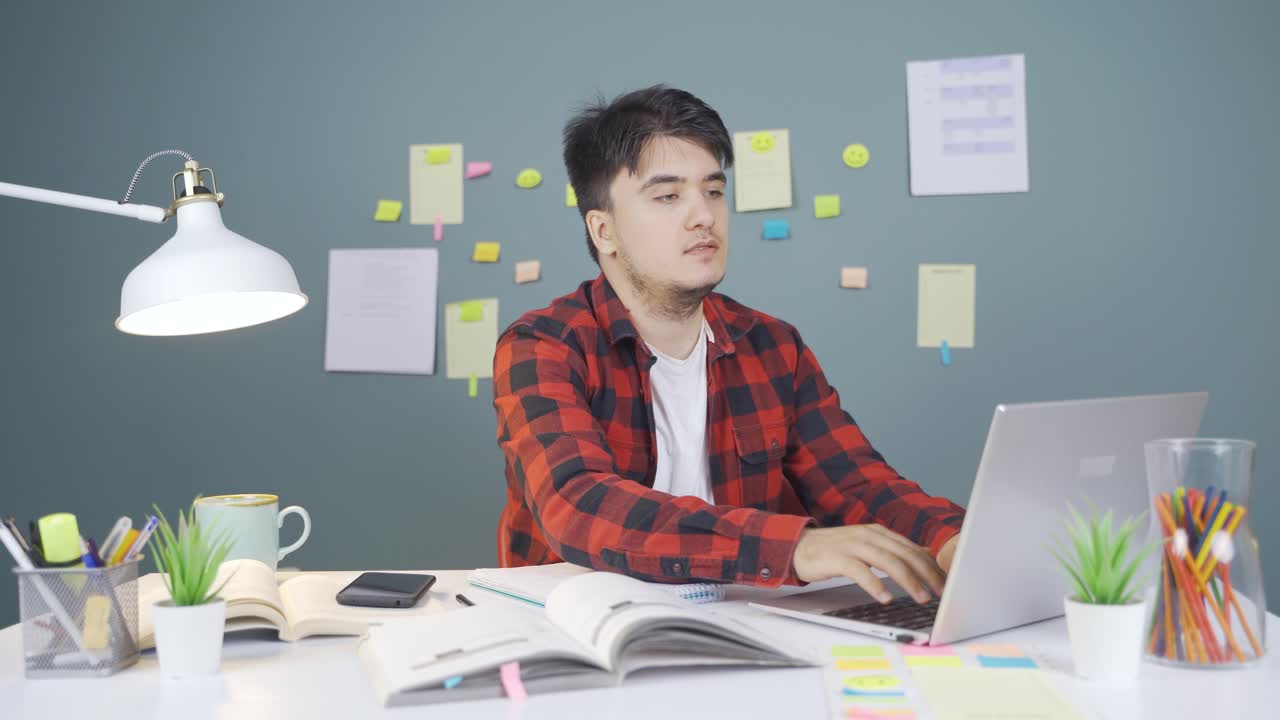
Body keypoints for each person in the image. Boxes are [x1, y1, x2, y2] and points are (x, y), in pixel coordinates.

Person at [491, 85, 964, 604]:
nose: (704, 216)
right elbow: (578, 506)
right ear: (604, 231)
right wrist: (793, 548)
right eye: (668, 196)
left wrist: (952, 541)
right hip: (580, 633)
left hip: (739, 627)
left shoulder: (773, 345)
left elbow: (855, 484)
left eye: (713, 191)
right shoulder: (542, 347)